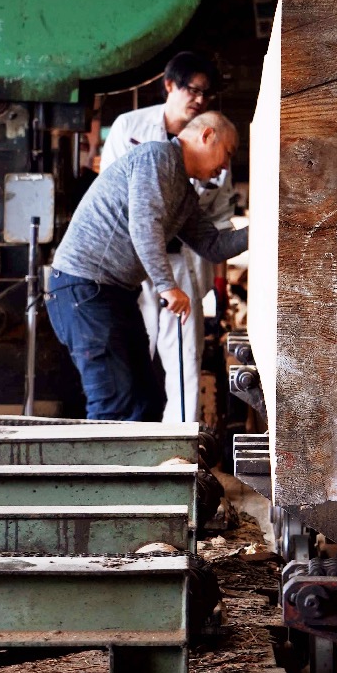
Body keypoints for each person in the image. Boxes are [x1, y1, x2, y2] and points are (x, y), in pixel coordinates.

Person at [45, 111, 248, 423]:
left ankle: (139, 473)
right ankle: (97, 473)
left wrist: (266, 229)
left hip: (114, 293)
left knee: (146, 403)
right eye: (228, 153)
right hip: (84, 289)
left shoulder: (183, 190)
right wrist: (168, 286)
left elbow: (213, 246)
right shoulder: (158, 157)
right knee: (114, 404)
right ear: (207, 136)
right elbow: (144, 224)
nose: (225, 167)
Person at [100, 51, 236, 424]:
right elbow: (111, 198)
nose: (199, 99)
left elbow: (221, 216)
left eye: (206, 94)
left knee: (184, 359)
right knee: (131, 353)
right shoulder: (129, 127)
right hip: (134, 264)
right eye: (193, 89)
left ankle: (182, 450)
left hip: (184, 263)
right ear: (169, 85)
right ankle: (126, 444)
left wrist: (218, 278)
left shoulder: (217, 145)